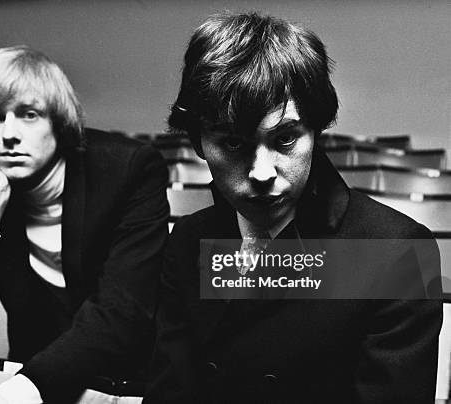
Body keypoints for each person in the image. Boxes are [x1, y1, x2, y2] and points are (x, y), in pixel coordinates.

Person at [144, 12, 442, 403]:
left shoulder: (397, 253)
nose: (262, 172)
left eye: (285, 139)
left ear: (315, 132)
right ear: (199, 143)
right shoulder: (188, 238)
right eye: (233, 143)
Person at [0, 45, 169, 403]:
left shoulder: (128, 169)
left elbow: (123, 313)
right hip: (33, 373)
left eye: (29, 114)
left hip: (124, 385)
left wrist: (21, 392)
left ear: (59, 121)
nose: (9, 134)